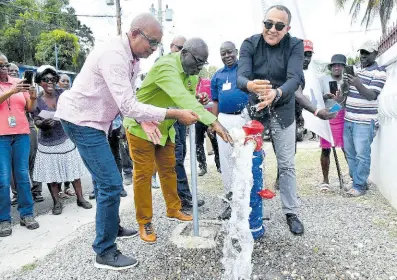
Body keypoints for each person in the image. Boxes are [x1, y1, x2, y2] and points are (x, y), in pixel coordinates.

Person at [55, 13, 200, 270]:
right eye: (152, 43)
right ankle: (104, 251)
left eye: (157, 44)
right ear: (134, 33)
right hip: (81, 120)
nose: (154, 49)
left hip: (97, 121)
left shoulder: (132, 57)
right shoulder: (114, 55)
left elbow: (124, 98)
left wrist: (143, 120)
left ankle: (112, 225)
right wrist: (174, 113)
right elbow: (127, 103)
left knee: (104, 182)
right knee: (111, 184)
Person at [123, 37, 233, 244]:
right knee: (143, 176)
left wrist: (197, 101)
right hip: (141, 126)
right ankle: (145, 221)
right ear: (184, 54)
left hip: (164, 128)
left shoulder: (192, 73)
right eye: (197, 62)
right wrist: (213, 123)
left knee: (169, 170)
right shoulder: (166, 66)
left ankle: (173, 208)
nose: (199, 68)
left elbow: (188, 99)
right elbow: (181, 96)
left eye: (203, 64)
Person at [237, 5, 304, 235]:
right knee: (248, 162)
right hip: (255, 109)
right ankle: (247, 208)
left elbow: (295, 78)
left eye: (279, 25)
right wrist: (250, 85)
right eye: (268, 24)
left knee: (286, 164)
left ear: (288, 28)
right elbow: (241, 77)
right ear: (263, 23)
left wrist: (277, 93)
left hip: (283, 109)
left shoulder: (295, 45)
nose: (272, 29)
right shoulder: (249, 44)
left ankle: (291, 212)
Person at [32, 65, 92, 215]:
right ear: (40, 82)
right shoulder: (37, 100)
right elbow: (36, 120)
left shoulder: (63, 94)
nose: (50, 82)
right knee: (51, 176)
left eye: (53, 79)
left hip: (65, 139)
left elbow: (76, 109)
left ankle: (80, 198)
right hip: (47, 143)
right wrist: (43, 124)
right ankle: (57, 203)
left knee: (74, 172)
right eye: (45, 79)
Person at [0, 54, 40, 237]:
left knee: (23, 176)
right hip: (1, 137)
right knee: (3, 179)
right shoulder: (15, 86)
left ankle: (27, 214)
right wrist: (11, 91)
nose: (4, 68)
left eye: (6, 64)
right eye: (0, 65)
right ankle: (4, 220)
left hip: (22, 134)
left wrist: (33, 97)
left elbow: (29, 108)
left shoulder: (18, 81)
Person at [342, 40, 387, 197]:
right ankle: (356, 180)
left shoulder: (379, 73)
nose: (363, 56)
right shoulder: (354, 69)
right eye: (362, 52)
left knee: (362, 154)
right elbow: (346, 92)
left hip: (365, 121)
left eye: (367, 53)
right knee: (350, 153)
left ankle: (360, 186)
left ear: (376, 54)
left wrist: (358, 83)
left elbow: (371, 95)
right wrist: (346, 84)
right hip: (349, 118)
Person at [167, 35, 206, 208]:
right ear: (171, 47)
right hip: (167, 120)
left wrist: (198, 97)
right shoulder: (166, 66)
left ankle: (181, 197)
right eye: (178, 48)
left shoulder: (189, 72)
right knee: (174, 159)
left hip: (181, 121)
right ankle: (181, 198)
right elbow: (173, 93)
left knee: (179, 157)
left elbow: (187, 95)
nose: (181, 52)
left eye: (184, 49)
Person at [211, 41, 248, 201]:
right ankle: (230, 196)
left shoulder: (245, 71)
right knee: (226, 159)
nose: (227, 56)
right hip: (224, 120)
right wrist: (213, 122)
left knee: (245, 157)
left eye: (229, 52)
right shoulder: (217, 75)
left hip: (244, 118)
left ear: (236, 51)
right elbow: (215, 102)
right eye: (223, 53)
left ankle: (247, 195)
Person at [9, 66, 44, 204]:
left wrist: (32, 95)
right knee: (11, 163)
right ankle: (17, 193)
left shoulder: (25, 87)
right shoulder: (4, 87)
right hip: (7, 129)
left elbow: (31, 107)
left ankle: (36, 191)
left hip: (27, 125)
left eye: (16, 72)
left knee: (32, 159)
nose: (13, 74)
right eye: (10, 71)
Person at [318, 54, 348, 191]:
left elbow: (345, 101)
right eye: (334, 65)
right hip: (326, 116)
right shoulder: (322, 80)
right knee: (325, 149)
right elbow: (316, 99)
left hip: (342, 116)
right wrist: (324, 97)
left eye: (340, 65)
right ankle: (325, 181)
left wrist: (337, 102)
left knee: (347, 148)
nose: (337, 67)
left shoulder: (347, 81)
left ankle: (353, 177)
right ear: (331, 67)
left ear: (343, 67)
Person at [195, 77, 220, 176]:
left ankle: (219, 165)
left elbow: (214, 99)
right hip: (197, 118)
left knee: (215, 141)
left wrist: (214, 118)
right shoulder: (190, 85)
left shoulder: (207, 82)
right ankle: (202, 166)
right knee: (198, 143)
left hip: (209, 117)